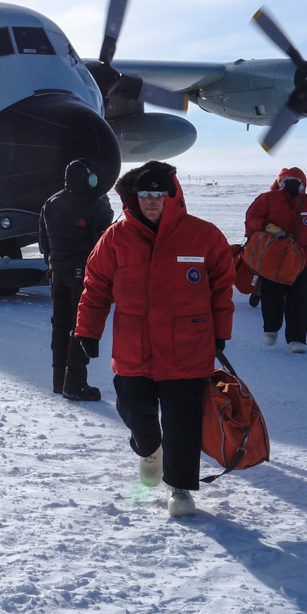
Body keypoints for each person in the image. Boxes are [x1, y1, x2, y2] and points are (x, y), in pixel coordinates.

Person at [67, 160, 234, 518]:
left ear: (170, 195)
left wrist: (221, 331)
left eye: (159, 193)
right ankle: (148, 448)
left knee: (182, 423)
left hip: (188, 348)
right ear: (135, 197)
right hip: (133, 347)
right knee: (134, 411)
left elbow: (222, 287)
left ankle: (180, 489)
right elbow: (96, 287)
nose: (152, 200)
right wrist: (87, 330)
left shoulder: (203, 235)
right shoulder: (116, 237)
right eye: (145, 193)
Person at [38, 158, 115, 400]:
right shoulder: (95, 205)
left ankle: (59, 381)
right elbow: (102, 244)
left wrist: (53, 262)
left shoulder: (51, 202)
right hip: (82, 274)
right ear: (90, 178)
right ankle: (75, 384)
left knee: (59, 326)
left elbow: (43, 240)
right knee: (80, 327)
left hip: (57, 272)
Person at [244, 167, 307, 354]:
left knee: (300, 300)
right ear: (281, 183)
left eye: (297, 182)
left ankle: (297, 339)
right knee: (272, 297)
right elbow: (251, 217)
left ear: (303, 185)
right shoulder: (267, 199)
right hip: (273, 260)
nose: (293, 186)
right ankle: (271, 328)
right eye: (289, 182)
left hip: (302, 263)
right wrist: (265, 226)